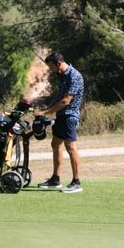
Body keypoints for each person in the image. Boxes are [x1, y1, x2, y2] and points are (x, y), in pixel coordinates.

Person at [35, 51, 85, 193]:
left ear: (58, 64)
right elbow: (59, 96)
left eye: (51, 67)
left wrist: (46, 112)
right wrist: (48, 109)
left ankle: (76, 182)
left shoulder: (73, 76)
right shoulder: (62, 75)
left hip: (70, 116)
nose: (50, 70)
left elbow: (66, 100)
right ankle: (55, 179)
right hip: (61, 115)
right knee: (55, 143)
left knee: (71, 147)